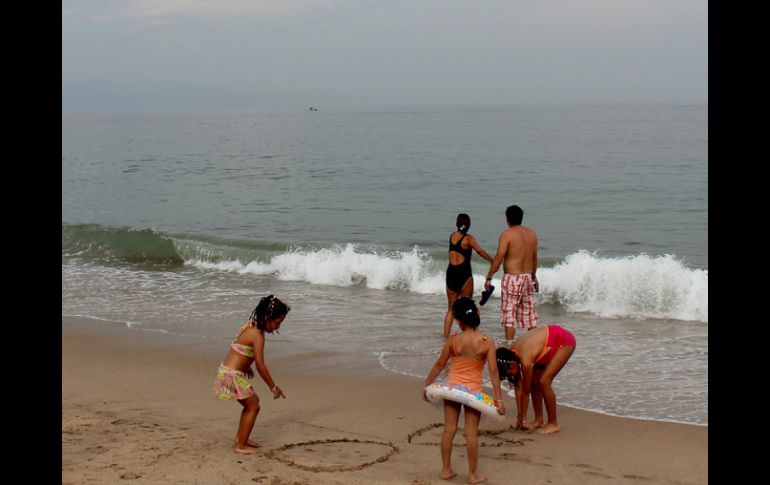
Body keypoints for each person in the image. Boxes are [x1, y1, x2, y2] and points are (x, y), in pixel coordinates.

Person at [423, 297, 505, 484]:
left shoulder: (454, 340)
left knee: (449, 429)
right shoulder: (486, 342)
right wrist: (499, 401)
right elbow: (493, 372)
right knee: (470, 433)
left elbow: (439, 364)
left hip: (452, 389)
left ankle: (445, 470)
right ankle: (473, 475)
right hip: (473, 393)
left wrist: (427, 385)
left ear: (458, 321)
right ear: (478, 313)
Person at [213, 294, 290, 454]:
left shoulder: (250, 326)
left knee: (250, 405)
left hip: (228, 371)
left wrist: (246, 365)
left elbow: (239, 345)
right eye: (277, 322)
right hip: (231, 375)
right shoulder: (258, 336)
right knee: (253, 405)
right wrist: (273, 386)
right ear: (268, 317)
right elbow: (261, 365)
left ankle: (241, 438)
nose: (277, 327)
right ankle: (241, 445)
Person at [495, 324, 576, 434]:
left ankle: (553, 423)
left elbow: (525, 391)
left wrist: (524, 419)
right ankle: (539, 419)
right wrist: (520, 417)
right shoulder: (512, 355)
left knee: (544, 382)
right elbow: (519, 388)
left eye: (509, 374)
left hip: (564, 342)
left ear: (513, 365)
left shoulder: (525, 360)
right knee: (534, 383)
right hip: (545, 346)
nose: (510, 377)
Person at [484, 205, 539, 341]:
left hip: (512, 278)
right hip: (528, 277)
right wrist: (534, 277)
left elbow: (499, 258)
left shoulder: (507, 235)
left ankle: (509, 345)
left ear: (507, 219)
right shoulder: (531, 233)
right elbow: (534, 258)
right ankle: (534, 345)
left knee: (509, 313)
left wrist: (489, 277)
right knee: (529, 314)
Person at [444, 213, 493, 338]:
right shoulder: (469, 239)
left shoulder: (452, 236)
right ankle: (469, 335)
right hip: (464, 274)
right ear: (469, 225)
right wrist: (492, 260)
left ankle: (445, 337)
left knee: (450, 309)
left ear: (457, 224)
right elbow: (480, 251)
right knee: (468, 306)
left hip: (451, 273)